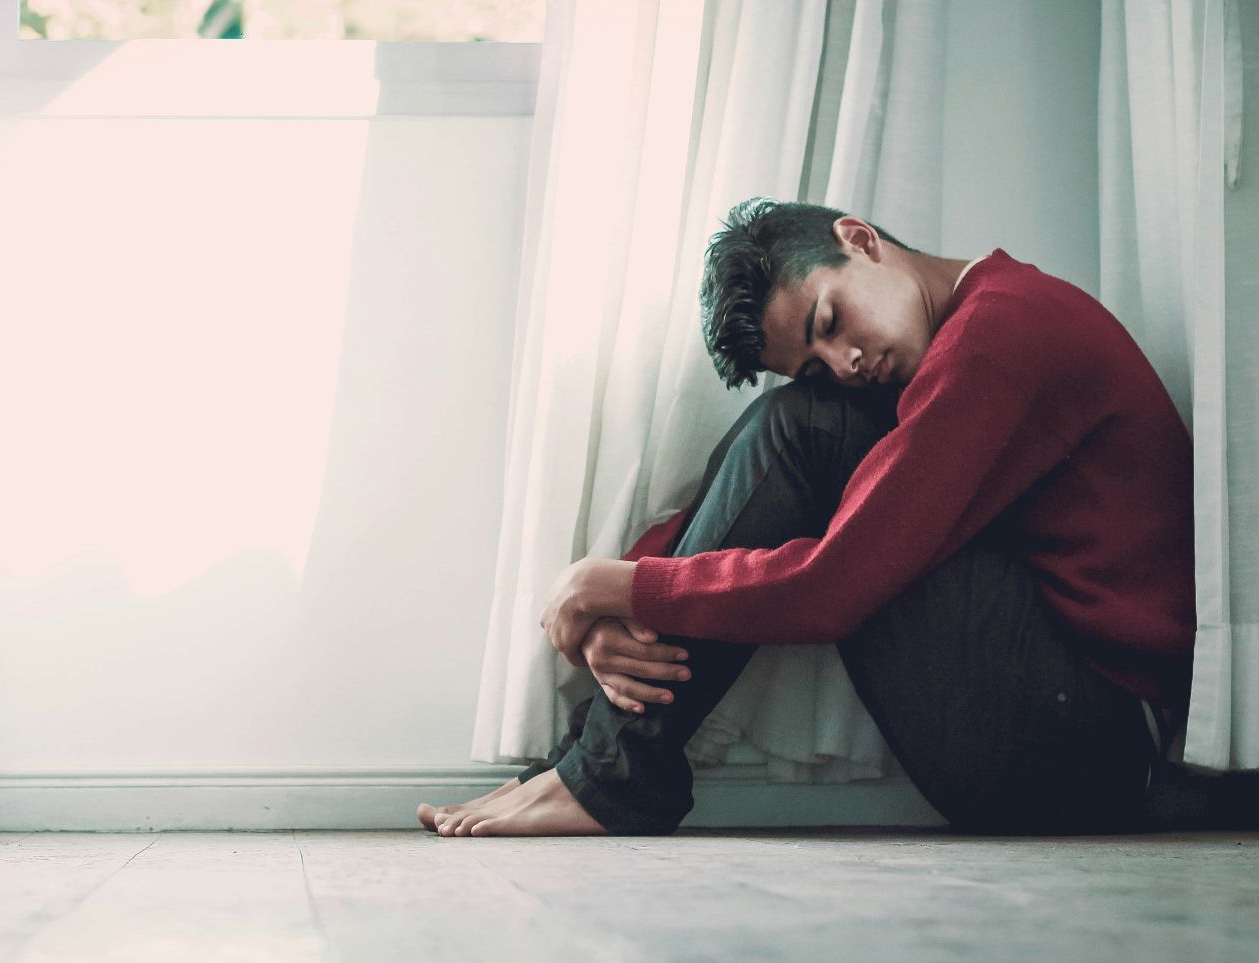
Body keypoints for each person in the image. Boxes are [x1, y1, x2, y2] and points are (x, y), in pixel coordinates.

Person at [419, 197, 1196, 838]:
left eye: (830, 321)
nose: (849, 362)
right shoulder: (963, 338)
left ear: (860, 240)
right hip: (1056, 720)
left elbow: (836, 585)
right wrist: (613, 597)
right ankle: (596, 766)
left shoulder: (1001, 337)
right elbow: (756, 499)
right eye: (820, 358)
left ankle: (608, 777)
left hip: (1090, 750)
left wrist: (617, 589)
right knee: (800, 418)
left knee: (804, 427)